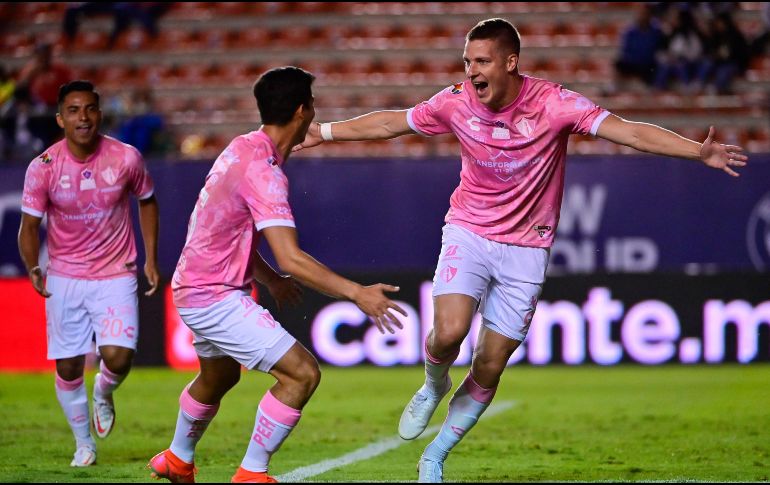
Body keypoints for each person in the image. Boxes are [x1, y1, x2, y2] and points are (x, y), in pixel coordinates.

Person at [294, 18, 748, 483]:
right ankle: (433, 384)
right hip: (469, 232)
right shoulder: (455, 102)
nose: (472, 71)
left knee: (490, 365)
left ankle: (435, 455)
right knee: (448, 333)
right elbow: (392, 122)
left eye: (482, 61)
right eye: (468, 61)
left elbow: (629, 131)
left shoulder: (555, 104)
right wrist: (323, 132)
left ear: (511, 63)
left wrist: (698, 152)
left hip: (527, 249)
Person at [147, 66, 406, 483]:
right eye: (313, 107)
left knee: (220, 374)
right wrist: (357, 293)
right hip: (213, 295)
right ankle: (252, 473)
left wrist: (266, 279)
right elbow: (292, 258)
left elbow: (225, 230)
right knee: (301, 374)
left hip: (194, 285)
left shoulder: (241, 147)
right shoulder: (264, 173)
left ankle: (177, 458)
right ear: (303, 110)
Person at [17, 80, 160, 467]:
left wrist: (150, 257)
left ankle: (104, 391)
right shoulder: (43, 168)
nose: (84, 117)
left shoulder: (126, 158)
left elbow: (147, 201)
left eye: (90, 109)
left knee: (118, 357)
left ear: (100, 113)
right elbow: (28, 227)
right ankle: (84, 444)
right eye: (75, 111)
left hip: (116, 271)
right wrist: (33, 266)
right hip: (64, 276)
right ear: (61, 118)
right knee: (67, 365)